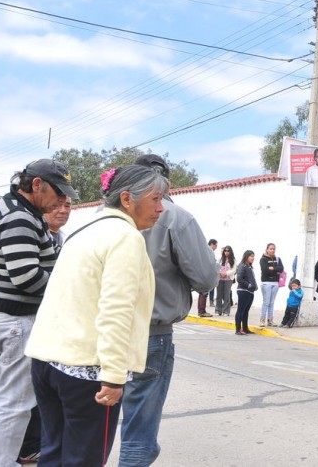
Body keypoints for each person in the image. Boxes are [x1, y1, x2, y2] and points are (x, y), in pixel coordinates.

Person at [25, 165, 167, 466]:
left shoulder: (84, 230)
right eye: (156, 199)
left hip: (47, 361)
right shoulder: (125, 237)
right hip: (85, 370)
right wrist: (114, 376)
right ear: (127, 199)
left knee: (54, 452)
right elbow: (116, 310)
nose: (161, 208)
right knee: (84, 459)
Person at [120, 154, 218, 466]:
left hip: (102, 331)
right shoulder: (176, 217)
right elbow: (205, 278)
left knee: (97, 427)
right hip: (150, 332)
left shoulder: (106, 215)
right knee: (138, 431)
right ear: (167, 182)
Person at [0, 158, 75, 467]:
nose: (62, 201)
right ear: (37, 185)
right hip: (18, 320)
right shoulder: (20, 217)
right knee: (16, 403)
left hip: (11, 320)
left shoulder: (19, 211)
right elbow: (26, 277)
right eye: (58, 193)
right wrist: (65, 289)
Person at [259, 243, 284, 327]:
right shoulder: (263, 259)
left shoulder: (277, 259)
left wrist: (273, 268)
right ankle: (262, 320)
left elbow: (281, 269)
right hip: (266, 283)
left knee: (272, 302)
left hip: (275, 283)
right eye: (270, 249)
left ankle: (270, 320)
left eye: (273, 249)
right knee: (266, 302)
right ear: (267, 249)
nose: (272, 250)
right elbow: (265, 270)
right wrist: (275, 270)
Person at [235, 250, 257, 335]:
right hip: (243, 291)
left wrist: (254, 286)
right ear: (246, 256)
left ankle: (245, 328)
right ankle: (238, 329)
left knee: (246, 311)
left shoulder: (249, 266)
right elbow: (239, 279)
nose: (253, 258)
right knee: (240, 310)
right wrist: (248, 285)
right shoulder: (242, 266)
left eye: (253, 256)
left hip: (250, 292)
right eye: (251, 256)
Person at [215, 245, 236, 317]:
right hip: (220, 279)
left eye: (228, 251)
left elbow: (234, 270)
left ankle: (226, 311)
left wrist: (226, 273)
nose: (226, 252)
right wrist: (220, 273)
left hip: (228, 279)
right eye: (225, 251)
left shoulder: (233, 260)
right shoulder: (220, 259)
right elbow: (216, 267)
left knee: (227, 295)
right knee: (219, 295)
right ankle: (218, 310)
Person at [207, 239, 218, 309]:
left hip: (210, 272)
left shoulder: (208, 251)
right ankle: (211, 301)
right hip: (208, 272)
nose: (216, 247)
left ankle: (211, 301)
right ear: (212, 244)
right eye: (216, 245)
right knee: (210, 288)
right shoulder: (208, 251)